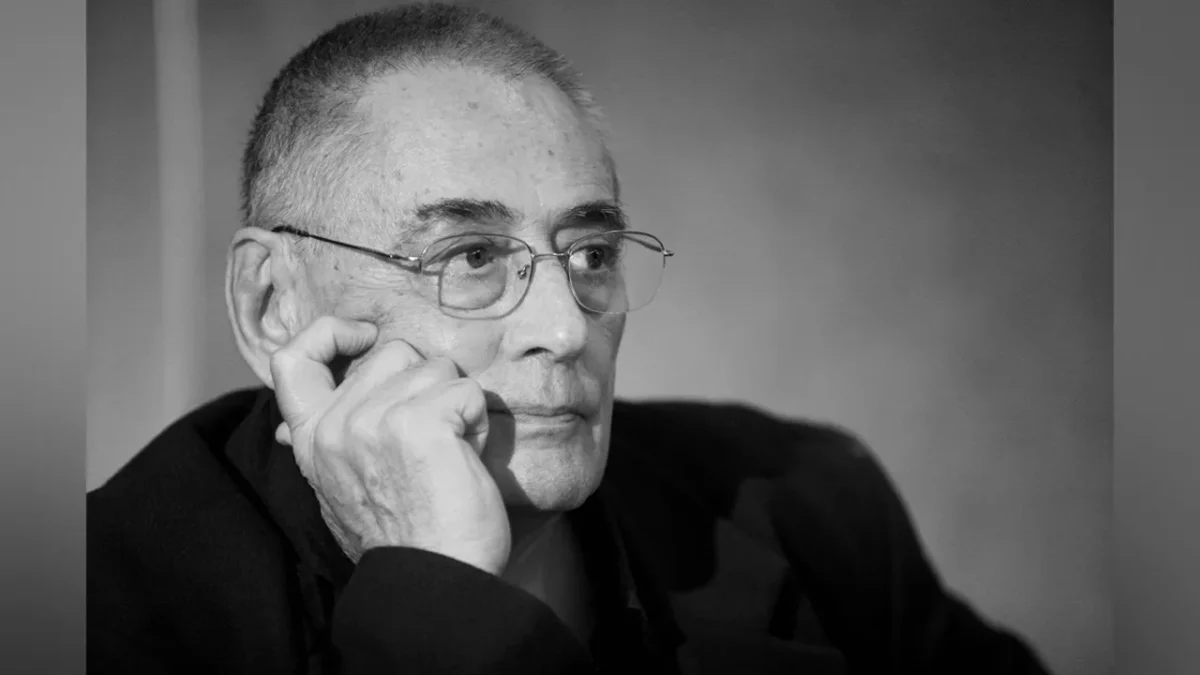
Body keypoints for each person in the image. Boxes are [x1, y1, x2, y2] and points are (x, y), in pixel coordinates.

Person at [87, 4, 1053, 674]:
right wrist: (436, 601)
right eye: (471, 255)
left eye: (591, 252)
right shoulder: (99, 612)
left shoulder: (807, 502)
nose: (563, 325)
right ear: (273, 305)